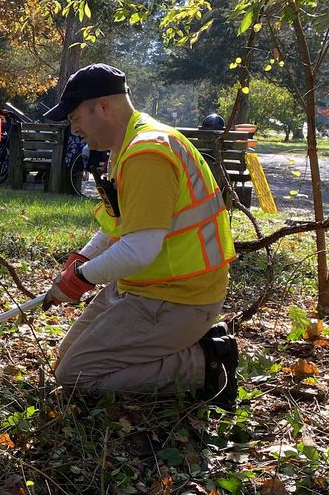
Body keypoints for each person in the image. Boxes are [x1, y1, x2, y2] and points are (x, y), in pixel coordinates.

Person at [42, 64, 240, 408]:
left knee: (75, 375)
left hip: (179, 298)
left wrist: (79, 280)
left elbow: (139, 249)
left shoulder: (147, 153)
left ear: (102, 106)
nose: (74, 128)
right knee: (65, 359)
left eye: (75, 116)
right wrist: (81, 261)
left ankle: (205, 364)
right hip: (148, 288)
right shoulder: (128, 148)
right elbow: (114, 227)